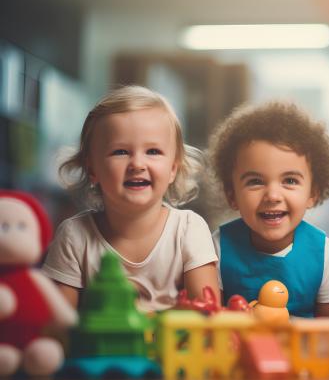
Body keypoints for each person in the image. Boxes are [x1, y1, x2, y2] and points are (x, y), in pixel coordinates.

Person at [43, 85, 219, 312]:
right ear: (92, 169)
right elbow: (58, 323)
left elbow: (208, 313)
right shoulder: (74, 235)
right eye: (120, 152)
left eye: (153, 151)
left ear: (173, 169)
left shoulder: (189, 229)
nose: (137, 164)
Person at [207, 101, 329, 317]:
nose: (272, 196)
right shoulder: (218, 248)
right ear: (232, 194)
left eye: (290, 180)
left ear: (313, 193)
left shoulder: (324, 253)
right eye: (255, 181)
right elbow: (210, 321)